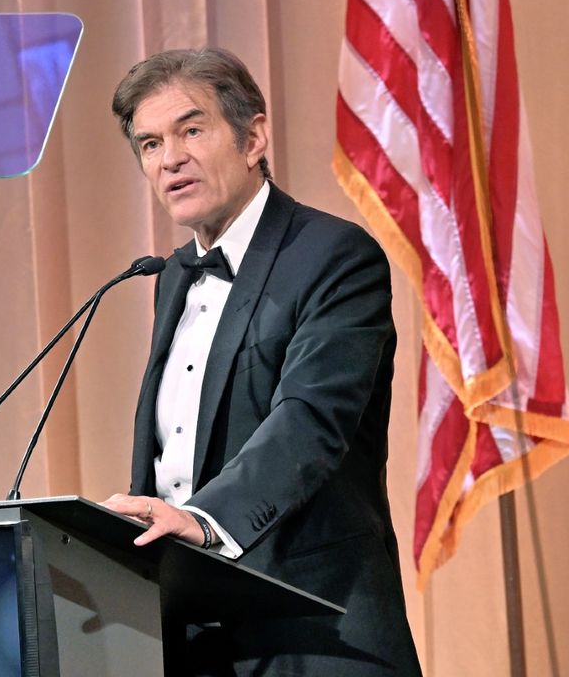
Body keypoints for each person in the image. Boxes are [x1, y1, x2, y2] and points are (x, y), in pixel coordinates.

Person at [102, 48, 421, 675]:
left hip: (314, 630)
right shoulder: (170, 280)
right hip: (193, 639)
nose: (170, 159)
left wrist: (200, 521)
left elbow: (310, 418)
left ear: (254, 137)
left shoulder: (335, 255)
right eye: (149, 144)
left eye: (191, 130)